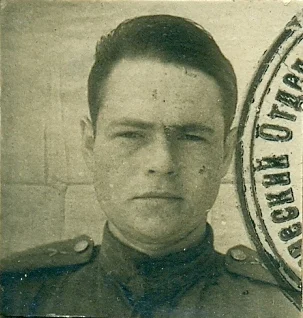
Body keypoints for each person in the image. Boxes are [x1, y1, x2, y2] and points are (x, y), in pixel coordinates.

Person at [0, 15, 300, 318]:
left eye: (192, 136)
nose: (162, 163)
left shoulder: (286, 305)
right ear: (90, 145)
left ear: (225, 153)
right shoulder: (15, 295)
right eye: (131, 135)